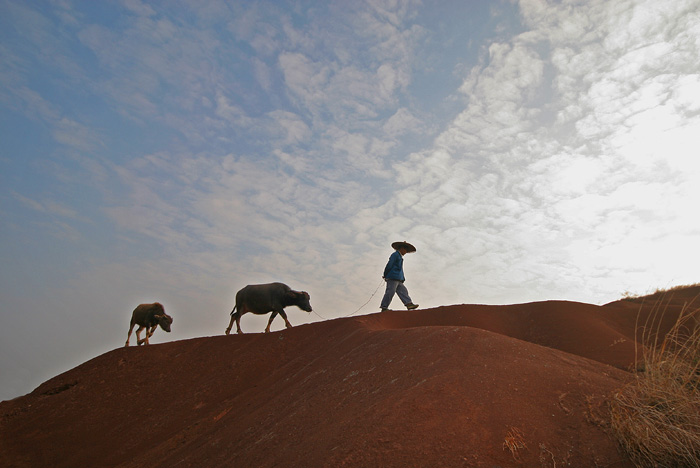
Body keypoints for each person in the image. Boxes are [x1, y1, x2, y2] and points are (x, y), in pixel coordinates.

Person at [380, 241, 419, 312]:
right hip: (393, 277)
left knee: (403, 291)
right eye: (405, 250)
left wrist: (402, 278)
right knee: (390, 292)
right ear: (402, 248)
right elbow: (389, 264)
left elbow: (400, 270)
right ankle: (384, 307)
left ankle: (409, 304)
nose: (406, 252)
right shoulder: (395, 255)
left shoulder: (400, 257)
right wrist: (386, 274)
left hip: (398, 278)